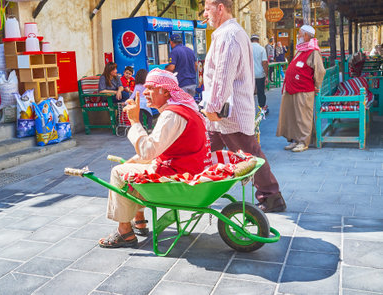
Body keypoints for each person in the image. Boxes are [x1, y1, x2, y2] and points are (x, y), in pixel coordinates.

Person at [99, 68, 212, 248]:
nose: (145, 92)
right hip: (188, 168)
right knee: (134, 164)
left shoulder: (171, 114)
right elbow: (160, 149)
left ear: (166, 91)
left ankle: (124, 231)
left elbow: (149, 151)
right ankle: (140, 220)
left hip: (178, 175)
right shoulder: (185, 109)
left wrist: (135, 121)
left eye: (151, 87)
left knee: (118, 172)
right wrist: (135, 160)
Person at [201, 0, 286, 213]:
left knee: (250, 154)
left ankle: (271, 194)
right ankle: (199, 190)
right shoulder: (226, 33)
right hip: (222, 115)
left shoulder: (229, 35)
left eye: (207, 8)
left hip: (228, 113)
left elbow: (223, 75)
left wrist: (212, 106)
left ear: (220, 8)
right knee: (204, 150)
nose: (204, 14)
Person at [276, 25, 326, 153]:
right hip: (292, 88)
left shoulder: (313, 51)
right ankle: (295, 140)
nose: (298, 36)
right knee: (292, 115)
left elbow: (320, 70)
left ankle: (304, 142)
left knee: (303, 116)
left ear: (306, 36)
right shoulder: (301, 50)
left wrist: (316, 86)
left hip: (304, 89)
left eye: (299, 34)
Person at [251, 34, 269, 113]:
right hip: (260, 74)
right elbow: (264, 63)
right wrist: (267, 76)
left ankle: (250, 109)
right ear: (258, 40)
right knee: (261, 92)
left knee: (249, 92)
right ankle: (262, 108)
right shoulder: (261, 49)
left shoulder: (247, 49)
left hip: (249, 75)